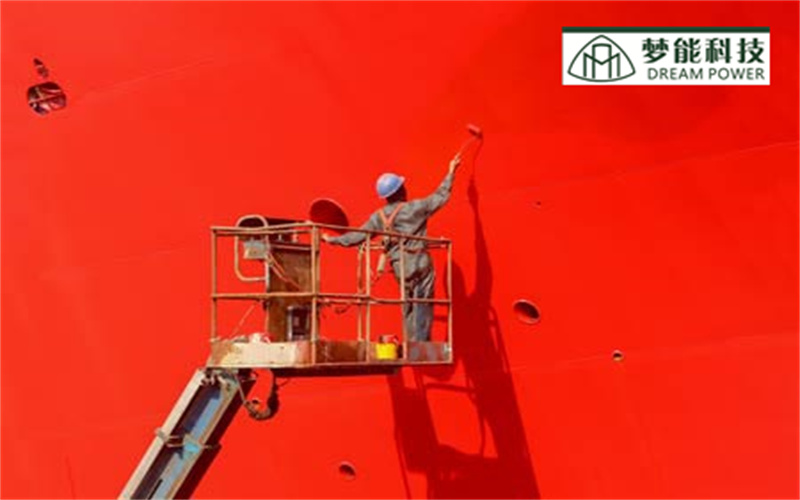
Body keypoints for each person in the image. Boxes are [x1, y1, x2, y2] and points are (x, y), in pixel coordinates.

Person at [322, 154, 462, 344]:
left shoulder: (378, 217)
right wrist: (451, 171)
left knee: (407, 305)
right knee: (422, 303)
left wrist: (331, 240)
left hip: (400, 268)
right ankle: (420, 345)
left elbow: (356, 237)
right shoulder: (415, 208)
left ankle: (409, 342)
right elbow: (440, 197)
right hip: (420, 262)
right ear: (401, 190)